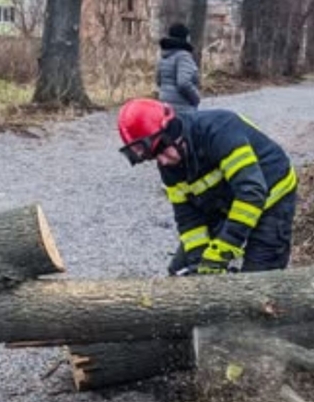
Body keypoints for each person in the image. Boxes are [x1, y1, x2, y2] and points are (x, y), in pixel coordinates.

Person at [116, 98, 298, 276]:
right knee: (180, 270)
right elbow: (187, 217)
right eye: (153, 157)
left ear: (172, 132)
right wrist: (199, 263)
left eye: (161, 150)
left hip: (270, 195)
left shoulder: (219, 130)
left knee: (257, 281)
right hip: (224, 200)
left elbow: (252, 193)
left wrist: (221, 252)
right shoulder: (169, 164)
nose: (162, 160)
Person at [156, 23, 202, 114]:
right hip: (182, 109)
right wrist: (196, 98)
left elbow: (159, 81)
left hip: (164, 106)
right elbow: (183, 83)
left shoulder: (164, 56)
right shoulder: (183, 56)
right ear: (185, 37)